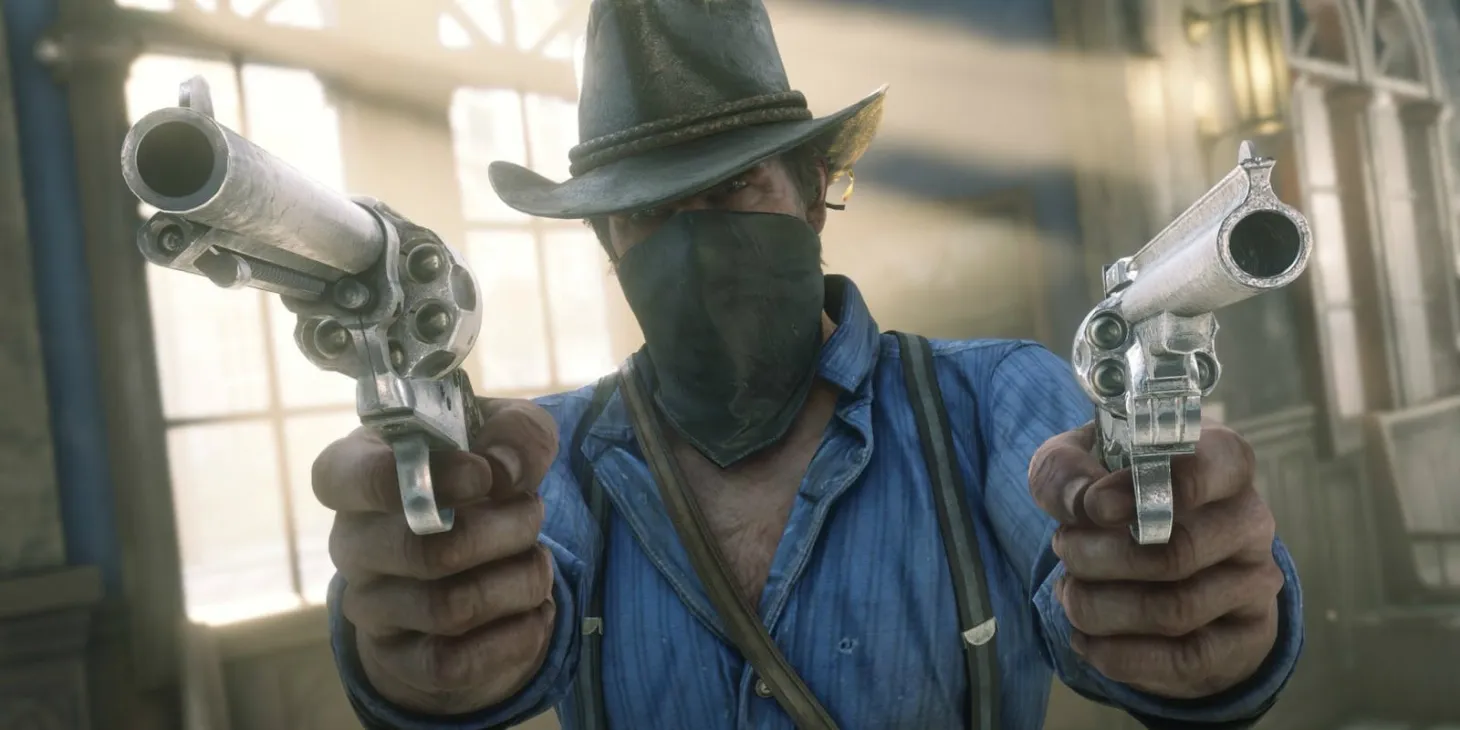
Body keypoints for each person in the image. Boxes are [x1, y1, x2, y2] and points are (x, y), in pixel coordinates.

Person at [314, 1, 1303, 728]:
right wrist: (425, 635)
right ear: (608, 243)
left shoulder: (988, 396)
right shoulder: (552, 453)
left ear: (814, 192)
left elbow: (1102, 564)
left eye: (733, 189)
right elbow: (506, 611)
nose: (696, 243)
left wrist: (1195, 618)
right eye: (649, 214)